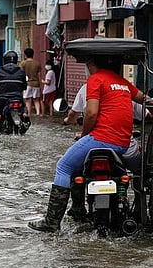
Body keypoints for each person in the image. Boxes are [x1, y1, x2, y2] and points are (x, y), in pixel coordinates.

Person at [28, 55, 147, 232]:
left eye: (87, 63)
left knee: (63, 166)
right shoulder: (122, 82)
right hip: (123, 143)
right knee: (140, 172)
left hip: (101, 139)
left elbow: (91, 113)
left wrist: (84, 134)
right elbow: (144, 99)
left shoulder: (96, 79)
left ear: (92, 64)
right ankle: (138, 210)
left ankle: (51, 222)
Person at [62, 82, 150, 220]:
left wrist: (69, 121)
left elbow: (77, 113)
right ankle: (139, 207)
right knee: (142, 171)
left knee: (72, 169)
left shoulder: (87, 87)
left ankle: (77, 207)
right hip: (124, 144)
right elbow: (145, 114)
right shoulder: (127, 88)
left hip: (92, 142)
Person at [0, 50, 29, 131]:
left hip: (3, 98)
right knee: (24, 106)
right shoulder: (21, 71)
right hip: (17, 97)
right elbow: (24, 86)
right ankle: (25, 114)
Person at [20, 48, 41, 116]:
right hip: (36, 83)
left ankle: (28, 114)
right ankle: (38, 113)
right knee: (36, 100)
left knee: (28, 100)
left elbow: (21, 74)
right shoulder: (37, 63)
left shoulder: (23, 63)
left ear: (25, 55)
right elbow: (39, 74)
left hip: (27, 84)